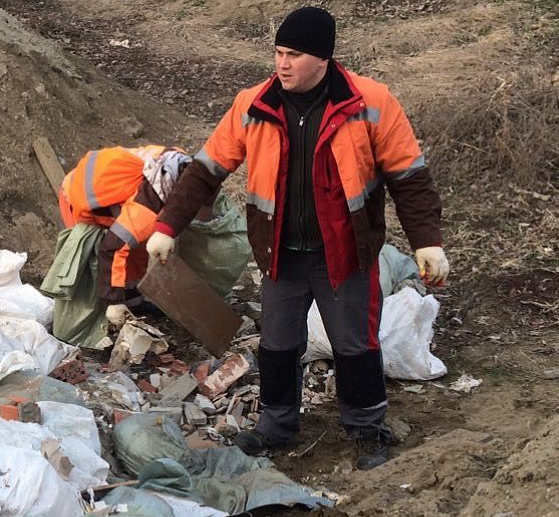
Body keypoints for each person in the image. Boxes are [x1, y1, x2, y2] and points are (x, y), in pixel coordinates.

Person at [146, 6, 449, 470]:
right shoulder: (253, 104)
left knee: (355, 345)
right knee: (278, 344)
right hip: (280, 254)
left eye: (294, 54)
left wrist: (427, 240)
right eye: (278, 52)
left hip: (345, 253)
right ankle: (277, 423)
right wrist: (168, 225)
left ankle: (367, 428)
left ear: (323, 58)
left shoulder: (371, 102)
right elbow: (205, 171)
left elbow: (410, 177)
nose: (281, 64)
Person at [58, 145, 206, 328]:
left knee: (137, 243)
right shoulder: (146, 208)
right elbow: (111, 248)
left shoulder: (178, 161)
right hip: (75, 197)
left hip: (103, 183)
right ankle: (90, 321)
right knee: (87, 262)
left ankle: (134, 303)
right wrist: (114, 302)